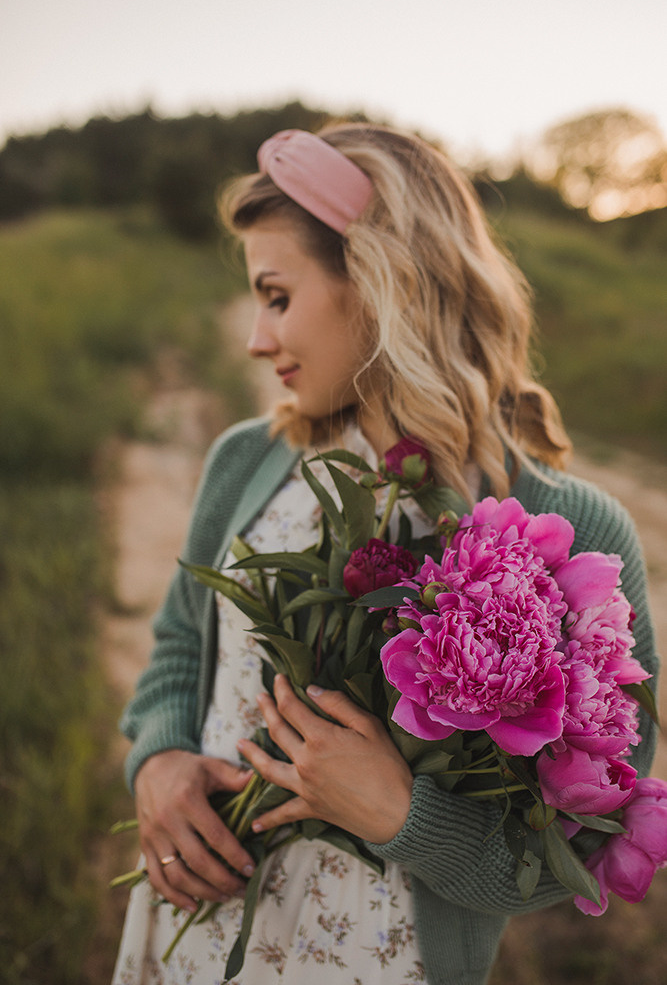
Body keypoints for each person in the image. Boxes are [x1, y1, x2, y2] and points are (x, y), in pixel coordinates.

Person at [112, 123, 658, 985]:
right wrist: (160, 761)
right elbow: (182, 646)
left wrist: (403, 812)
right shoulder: (246, 464)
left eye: (277, 295)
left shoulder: (572, 530)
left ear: (378, 284)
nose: (257, 338)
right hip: (197, 943)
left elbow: (574, 844)